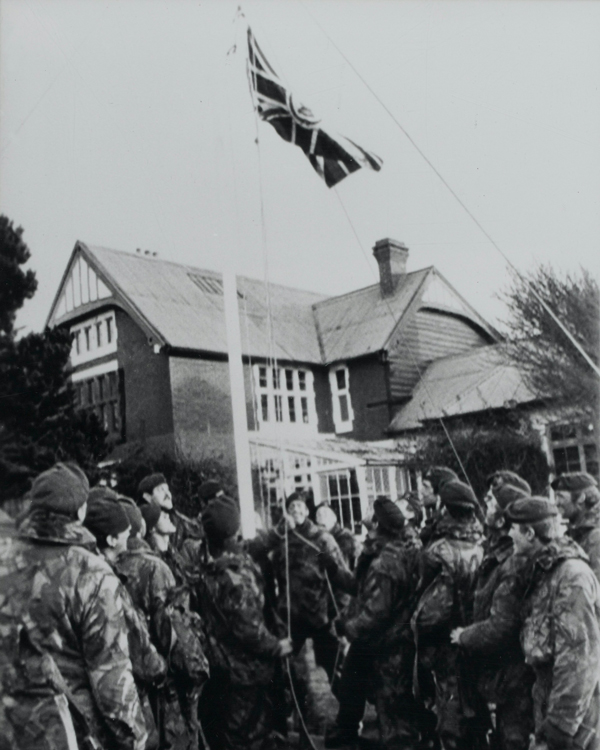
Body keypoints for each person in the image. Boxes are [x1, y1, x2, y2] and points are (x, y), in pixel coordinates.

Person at [0, 463, 147, 750]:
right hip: (69, 736)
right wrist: (136, 741)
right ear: (81, 512)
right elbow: (112, 687)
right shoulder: (92, 573)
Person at [196, 494, 292, 750]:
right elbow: (250, 630)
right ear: (234, 530)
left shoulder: (209, 566)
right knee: (250, 737)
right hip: (247, 675)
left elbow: (251, 547)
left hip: (225, 670)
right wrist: (278, 646)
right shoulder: (235, 579)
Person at [506, 496, 600, 750]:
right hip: (552, 709)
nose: (508, 534)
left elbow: (579, 657)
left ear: (529, 533)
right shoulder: (543, 572)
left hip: (575, 723)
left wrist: (560, 726)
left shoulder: (570, 577)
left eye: (513, 528)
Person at [331, 497, 422, 750]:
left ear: (377, 523)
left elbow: (376, 613)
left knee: (394, 720)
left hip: (388, 647)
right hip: (384, 642)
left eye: (370, 510)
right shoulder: (386, 550)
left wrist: (346, 628)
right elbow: (362, 586)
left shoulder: (386, 561)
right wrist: (332, 568)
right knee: (356, 688)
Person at [451, 482, 535, 750]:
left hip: (513, 675)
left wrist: (465, 636)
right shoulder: (494, 552)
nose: (483, 505)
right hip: (499, 674)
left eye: (490, 502)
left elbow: (503, 625)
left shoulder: (511, 560)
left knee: (514, 740)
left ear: (502, 517)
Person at [85, 490, 167, 749]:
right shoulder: (104, 581)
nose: (128, 537)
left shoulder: (78, 569)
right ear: (110, 539)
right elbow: (140, 649)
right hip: (120, 709)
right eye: (124, 532)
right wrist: (160, 669)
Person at [412, 479, 487, 750]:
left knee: (451, 715)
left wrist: (417, 626)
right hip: (476, 636)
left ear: (445, 507)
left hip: (446, 642)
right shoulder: (482, 541)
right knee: (475, 709)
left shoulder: (438, 550)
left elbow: (432, 610)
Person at [250, 493, 353, 684]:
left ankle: (349, 708)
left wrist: (340, 612)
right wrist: (278, 531)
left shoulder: (320, 540)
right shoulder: (281, 539)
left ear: (306, 511)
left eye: (299, 506)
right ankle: (300, 709)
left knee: (334, 667)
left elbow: (338, 575)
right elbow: (254, 551)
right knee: (288, 672)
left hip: (319, 615)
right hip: (290, 617)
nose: (295, 510)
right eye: (291, 508)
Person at [552, 472, 600, 581]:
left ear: (581, 498)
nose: (556, 503)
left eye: (560, 497)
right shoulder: (579, 530)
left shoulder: (596, 535)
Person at [138, 473, 203, 552]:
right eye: (161, 490)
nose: (168, 494)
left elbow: (197, 531)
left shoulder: (176, 517)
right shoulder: (142, 523)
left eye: (167, 489)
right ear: (148, 497)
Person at [419, 466, 458, 546]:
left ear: (440, 492)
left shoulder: (447, 526)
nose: (421, 491)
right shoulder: (438, 520)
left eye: (426, 486)